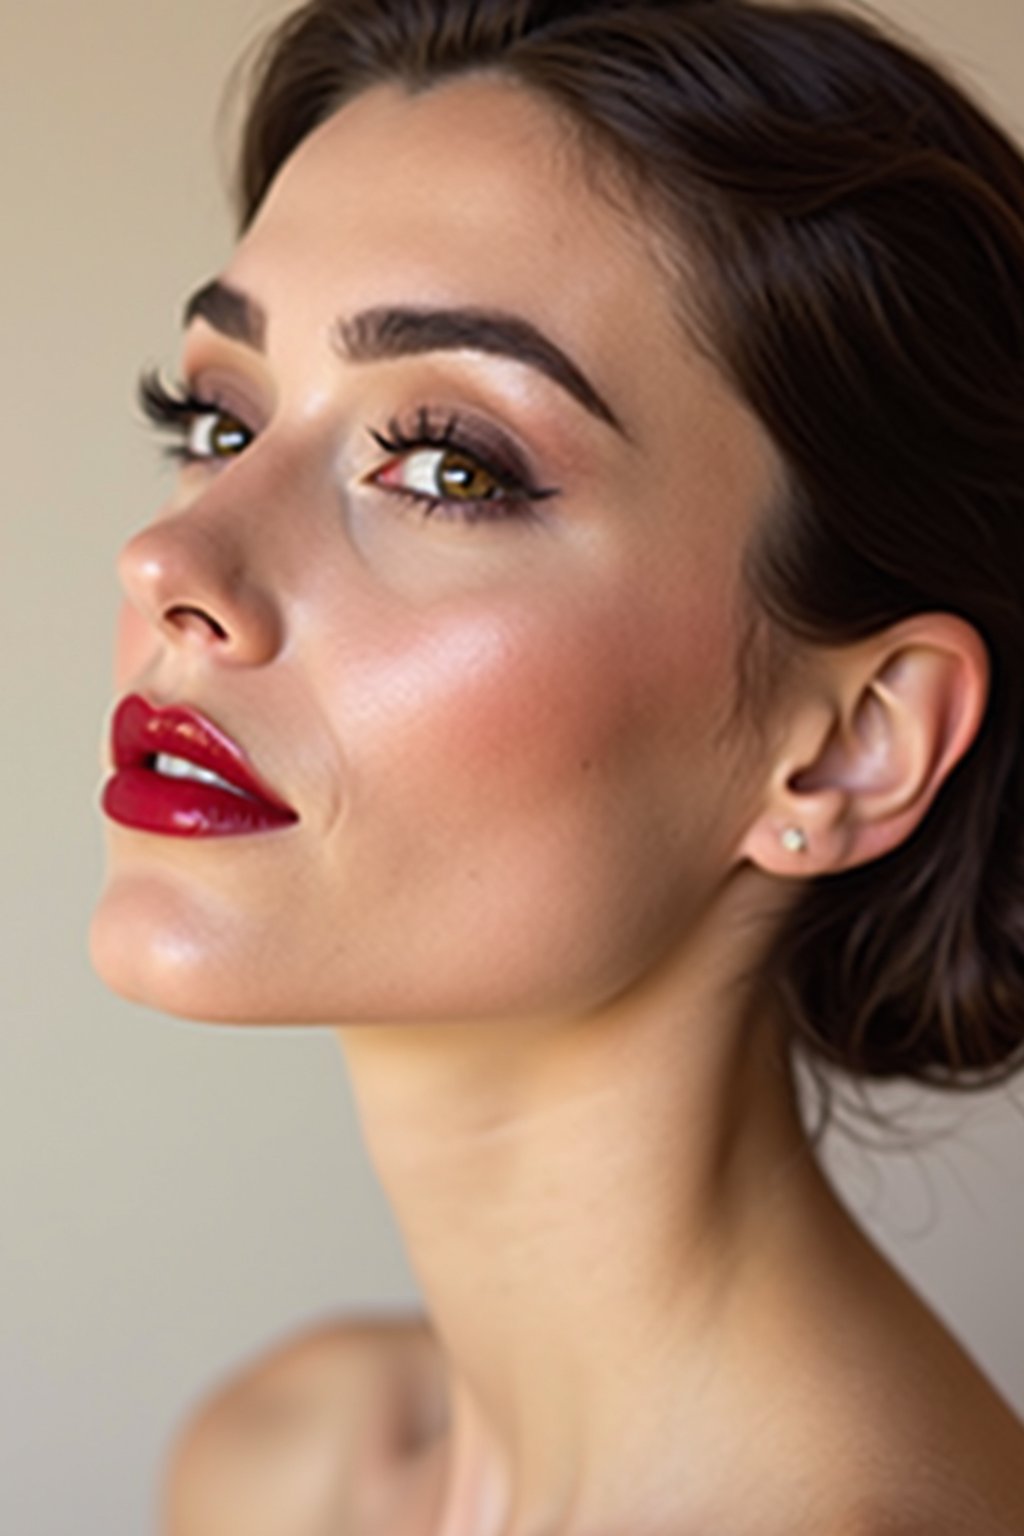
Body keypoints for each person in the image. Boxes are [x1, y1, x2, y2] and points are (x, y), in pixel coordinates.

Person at [91, 0, 1024, 1531]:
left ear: (851, 748)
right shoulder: (286, 1464)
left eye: (449, 463)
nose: (171, 557)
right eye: (218, 416)